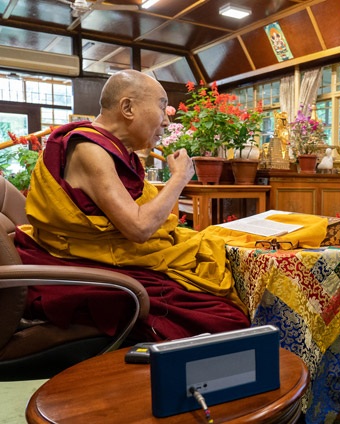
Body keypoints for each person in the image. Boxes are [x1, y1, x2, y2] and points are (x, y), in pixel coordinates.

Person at [13, 70, 250, 341]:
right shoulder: (90, 150)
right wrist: (180, 177)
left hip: (115, 259)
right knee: (225, 319)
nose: (167, 117)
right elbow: (139, 228)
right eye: (162, 106)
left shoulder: (115, 151)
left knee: (212, 256)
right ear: (128, 107)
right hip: (100, 273)